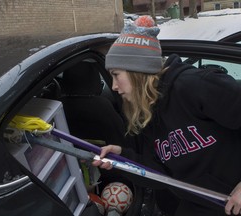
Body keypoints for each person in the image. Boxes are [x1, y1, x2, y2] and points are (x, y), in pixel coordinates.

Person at [92, 15, 241, 216]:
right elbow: (160, 174)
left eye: (116, 74)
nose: (114, 86)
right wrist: (123, 158)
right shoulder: (147, 111)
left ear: (138, 71)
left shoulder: (194, 86)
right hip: (200, 204)